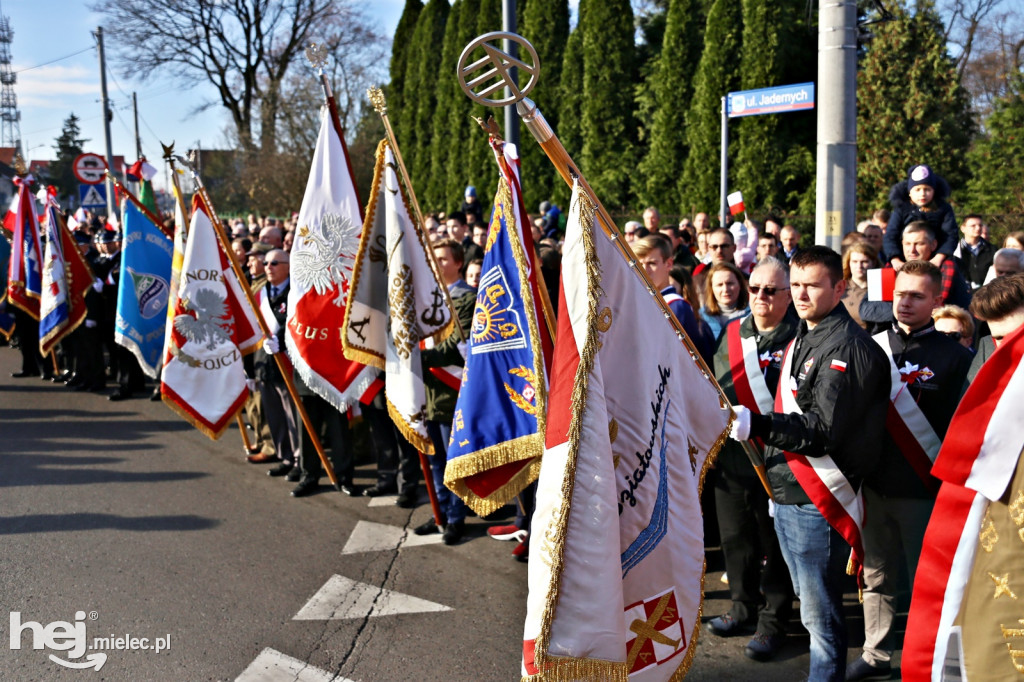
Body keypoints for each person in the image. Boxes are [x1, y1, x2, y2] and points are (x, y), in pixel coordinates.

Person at [729, 246, 890, 682]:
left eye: (812, 285)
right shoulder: (805, 331)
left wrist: (758, 423)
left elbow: (821, 432)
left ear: (839, 287)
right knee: (808, 603)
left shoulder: (848, 347)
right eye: (795, 285)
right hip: (788, 489)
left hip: (816, 494)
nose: (800, 294)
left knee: (820, 615)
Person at [847, 261, 973, 681]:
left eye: (918, 295)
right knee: (877, 577)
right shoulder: (868, 346)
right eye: (900, 293)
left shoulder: (957, 357)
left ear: (938, 301)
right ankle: (875, 654)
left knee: (928, 583)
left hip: (925, 491)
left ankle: (926, 659)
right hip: (874, 487)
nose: (905, 302)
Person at [705, 258, 797, 662]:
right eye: (754, 288)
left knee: (774, 543)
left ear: (788, 292)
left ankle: (774, 620)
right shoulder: (732, 333)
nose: (759, 296)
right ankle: (742, 608)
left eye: (770, 290)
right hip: (734, 459)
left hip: (780, 460)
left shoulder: (800, 336)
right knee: (735, 538)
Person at [415, 238, 473, 545]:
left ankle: (456, 517)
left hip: (452, 390)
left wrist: (415, 357)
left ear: (458, 263)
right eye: (433, 259)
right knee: (436, 459)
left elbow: (453, 349)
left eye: (442, 259)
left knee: (454, 459)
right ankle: (439, 511)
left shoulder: (467, 298)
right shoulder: (428, 297)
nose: (436, 264)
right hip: (428, 389)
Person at [257, 250, 300, 485]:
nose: (268, 267)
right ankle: (285, 457)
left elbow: (294, 322)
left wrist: (280, 340)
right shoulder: (260, 293)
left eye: (274, 263)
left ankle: (298, 459)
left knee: (292, 414)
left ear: (287, 266)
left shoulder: (294, 291)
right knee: (274, 415)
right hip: (265, 364)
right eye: (266, 263)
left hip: (287, 362)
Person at [633, 236, 706, 357]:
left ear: (669, 264)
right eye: (639, 264)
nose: (645, 270)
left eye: (652, 263)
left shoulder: (676, 306)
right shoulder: (638, 301)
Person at [883, 164, 958, 270]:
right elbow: (890, 236)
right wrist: (895, 258)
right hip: (903, 260)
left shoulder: (943, 209)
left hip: (936, 259)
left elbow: (951, 235)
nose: (922, 194)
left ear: (934, 191)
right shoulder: (901, 209)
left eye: (927, 189)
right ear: (909, 192)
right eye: (917, 190)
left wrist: (939, 258)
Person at [699, 261, 750, 342]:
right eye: (719, 285)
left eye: (730, 283)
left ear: (740, 284)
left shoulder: (752, 315)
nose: (725, 289)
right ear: (711, 288)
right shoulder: (701, 317)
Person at [841, 243, 881, 330]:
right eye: (855, 262)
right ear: (849, 263)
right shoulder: (840, 288)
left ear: (873, 263)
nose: (859, 266)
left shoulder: (881, 288)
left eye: (864, 262)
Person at [955, 214, 994, 289]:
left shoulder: (992, 250)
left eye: (980, 225)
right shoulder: (955, 250)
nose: (978, 228)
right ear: (963, 228)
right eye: (973, 226)